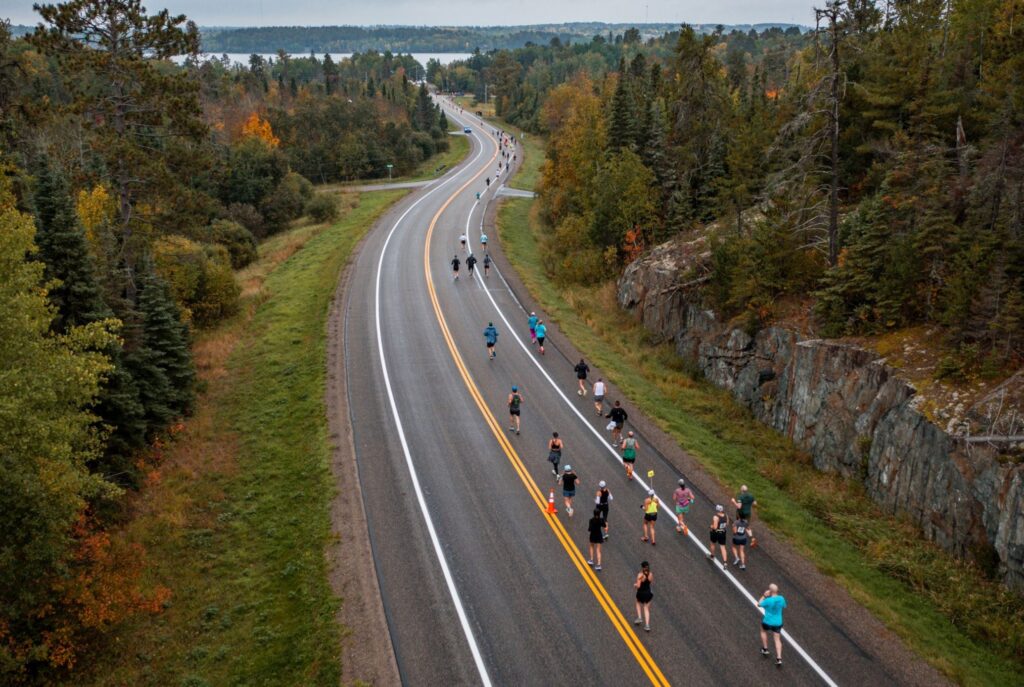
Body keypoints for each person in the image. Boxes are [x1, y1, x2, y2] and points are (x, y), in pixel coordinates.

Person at [758, 584, 787, 667]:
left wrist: (764, 596)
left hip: (767, 621)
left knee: (763, 631)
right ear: (777, 590)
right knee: (777, 639)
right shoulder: (781, 598)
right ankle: (779, 658)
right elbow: (784, 606)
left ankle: (765, 649)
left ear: (770, 591)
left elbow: (759, 604)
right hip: (778, 622)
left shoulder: (768, 600)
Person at [634, 561, 653, 632]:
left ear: (642, 567)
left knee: (637, 603)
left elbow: (638, 586)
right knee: (646, 608)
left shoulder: (640, 575)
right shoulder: (650, 574)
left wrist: (635, 585)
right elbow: (650, 582)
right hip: (648, 593)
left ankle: (639, 617)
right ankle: (647, 625)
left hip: (641, 593)